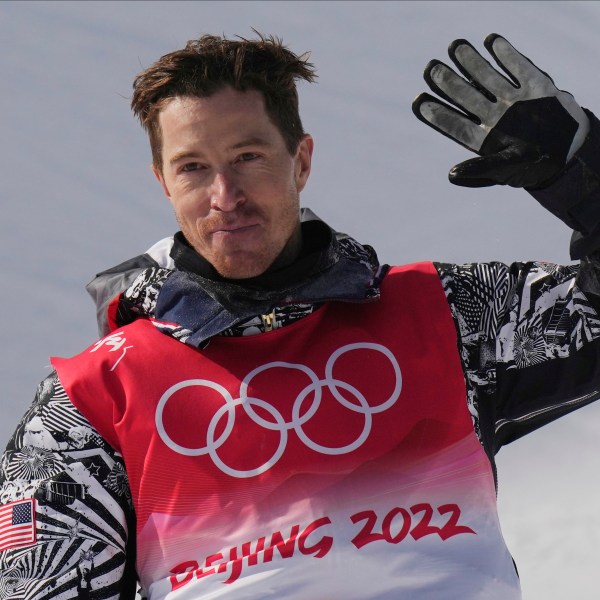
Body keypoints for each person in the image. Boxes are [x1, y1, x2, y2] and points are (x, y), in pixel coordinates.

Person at [0, 31, 599, 600]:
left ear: (301, 160)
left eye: (248, 156)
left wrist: (587, 179)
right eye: (193, 167)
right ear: (162, 181)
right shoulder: (89, 400)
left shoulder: (447, 314)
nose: (225, 196)